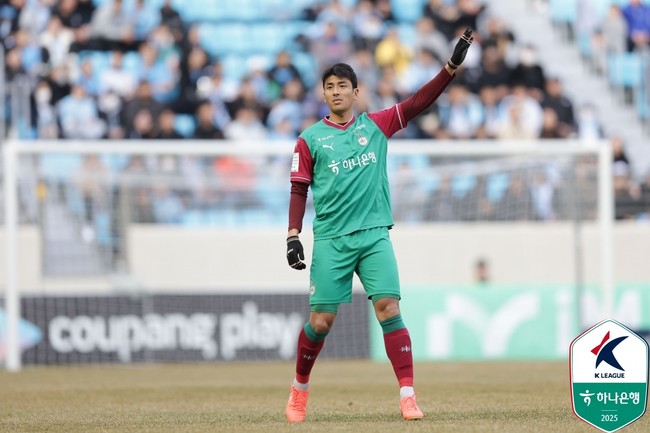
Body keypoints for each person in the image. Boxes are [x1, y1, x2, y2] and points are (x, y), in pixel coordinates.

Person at [284, 28, 474, 423]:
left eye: (343, 85)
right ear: (323, 94)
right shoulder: (310, 139)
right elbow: (299, 188)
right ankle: (299, 389)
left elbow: (418, 102)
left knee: (389, 308)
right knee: (321, 322)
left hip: (374, 236)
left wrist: (450, 68)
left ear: (356, 92)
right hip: (332, 240)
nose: (336, 91)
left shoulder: (376, 126)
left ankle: (408, 396)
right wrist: (293, 236)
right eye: (330, 87)